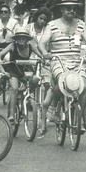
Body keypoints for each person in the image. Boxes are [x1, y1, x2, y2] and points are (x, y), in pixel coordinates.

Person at [38, 0, 86, 136]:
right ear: (62, 9)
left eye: (74, 8)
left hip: (77, 62)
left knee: (83, 85)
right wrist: (45, 53)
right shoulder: (51, 25)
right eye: (68, 8)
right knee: (62, 81)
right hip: (58, 61)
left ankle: (83, 120)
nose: (71, 11)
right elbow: (41, 43)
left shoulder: (81, 25)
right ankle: (53, 105)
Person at [0, 26, 42, 125]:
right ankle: (12, 114)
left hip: (26, 69)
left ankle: (30, 97)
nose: (21, 40)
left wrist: (44, 59)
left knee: (35, 79)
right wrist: (0, 60)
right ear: (16, 39)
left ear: (27, 39)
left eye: (23, 38)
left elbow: (40, 55)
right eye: (19, 38)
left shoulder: (31, 46)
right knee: (15, 88)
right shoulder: (12, 45)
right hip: (13, 69)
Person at [24, 7, 51, 138]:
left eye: (45, 20)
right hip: (30, 59)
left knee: (48, 82)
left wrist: (46, 56)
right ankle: (30, 96)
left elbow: (48, 44)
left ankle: (46, 106)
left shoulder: (48, 29)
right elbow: (28, 43)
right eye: (40, 18)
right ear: (36, 18)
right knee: (34, 80)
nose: (42, 21)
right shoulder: (28, 28)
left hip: (44, 59)